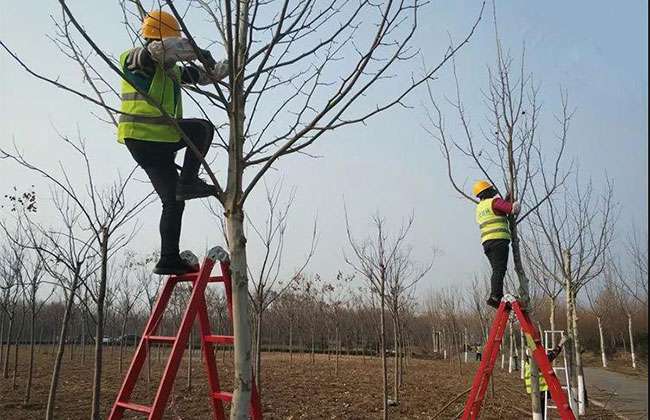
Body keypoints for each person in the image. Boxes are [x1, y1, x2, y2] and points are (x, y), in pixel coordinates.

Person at [118, 10, 228, 275]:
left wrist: (231, 63)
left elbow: (208, 75)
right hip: (149, 136)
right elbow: (160, 49)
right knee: (201, 128)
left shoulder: (172, 72)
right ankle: (188, 181)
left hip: (150, 146)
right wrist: (196, 50)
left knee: (173, 200)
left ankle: (168, 259)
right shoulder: (136, 58)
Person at [472, 180, 521, 308]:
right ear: (488, 191)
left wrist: (506, 200)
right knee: (500, 269)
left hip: (487, 243)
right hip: (499, 240)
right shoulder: (494, 202)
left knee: (496, 269)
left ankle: (497, 295)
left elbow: (498, 211)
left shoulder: (480, 207)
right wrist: (514, 203)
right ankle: (495, 296)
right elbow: (512, 209)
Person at [524, 341, 564, 415]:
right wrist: (560, 345)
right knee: (541, 411)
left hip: (535, 389)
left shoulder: (529, 361)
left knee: (539, 411)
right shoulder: (536, 362)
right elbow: (550, 356)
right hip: (540, 389)